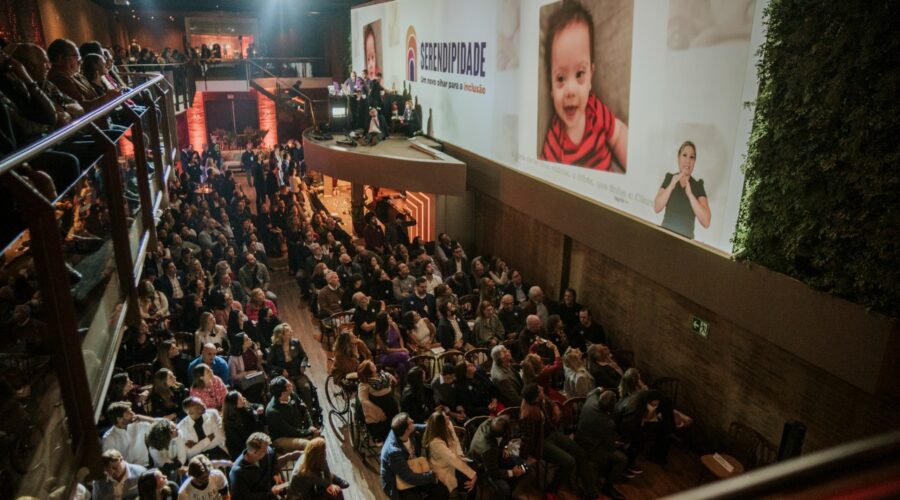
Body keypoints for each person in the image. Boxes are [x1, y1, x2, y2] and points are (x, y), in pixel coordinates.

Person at [539, 0, 628, 171]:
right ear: (550, 86)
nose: (570, 91)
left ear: (591, 77)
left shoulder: (596, 111)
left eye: (579, 74)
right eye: (560, 78)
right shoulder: (555, 141)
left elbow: (618, 135)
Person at [519, 383, 590, 494]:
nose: (542, 388)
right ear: (536, 397)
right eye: (539, 390)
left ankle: (583, 485)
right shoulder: (528, 414)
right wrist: (522, 458)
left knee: (580, 452)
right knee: (569, 461)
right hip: (542, 443)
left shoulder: (536, 399)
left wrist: (554, 406)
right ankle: (551, 490)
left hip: (552, 433)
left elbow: (547, 399)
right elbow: (527, 438)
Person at [379, 413, 447, 500]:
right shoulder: (394, 452)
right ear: (406, 430)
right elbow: (410, 478)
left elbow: (423, 427)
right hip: (397, 483)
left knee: (442, 490)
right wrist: (434, 474)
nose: (413, 421)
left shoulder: (401, 431)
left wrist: (438, 423)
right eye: (410, 422)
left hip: (414, 468)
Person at [653, 140, 712, 239]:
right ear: (678, 158)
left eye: (692, 157)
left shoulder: (698, 185)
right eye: (684, 155)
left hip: (686, 243)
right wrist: (671, 186)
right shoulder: (670, 178)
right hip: (664, 236)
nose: (688, 161)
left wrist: (690, 195)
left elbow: (706, 222)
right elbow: (657, 207)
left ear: (694, 162)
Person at [576, 389, 627, 500]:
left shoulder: (591, 400)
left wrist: (599, 389)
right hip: (590, 448)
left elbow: (592, 392)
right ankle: (608, 486)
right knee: (622, 459)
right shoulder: (608, 423)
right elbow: (610, 445)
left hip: (579, 438)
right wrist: (619, 444)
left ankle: (602, 475)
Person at [466, 416, 525, 498]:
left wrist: (505, 448)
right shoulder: (488, 448)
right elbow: (493, 472)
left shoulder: (491, 421)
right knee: (505, 489)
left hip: (493, 456)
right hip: (481, 467)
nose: (510, 433)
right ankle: (509, 493)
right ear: (499, 437)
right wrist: (512, 472)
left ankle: (513, 483)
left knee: (521, 464)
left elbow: (506, 437)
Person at [230, 432, 301, 500]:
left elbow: (274, 459)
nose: (268, 451)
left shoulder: (267, 452)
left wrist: (275, 473)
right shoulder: (237, 472)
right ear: (254, 452)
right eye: (264, 450)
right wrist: (271, 493)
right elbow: (246, 498)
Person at [267, 322, 317, 416]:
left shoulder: (296, 342)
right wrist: (280, 370)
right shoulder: (275, 347)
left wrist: (303, 365)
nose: (290, 332)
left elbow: (304, 356)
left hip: (297, 372)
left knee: (306, 388)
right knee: (292, 391)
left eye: (290, 330)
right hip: (286, 376)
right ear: (281, 335)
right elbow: (269, 364)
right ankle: (296, 414)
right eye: (287, 331)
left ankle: (309, 413)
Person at [422, 411, 477, 495]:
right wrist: (472, 474)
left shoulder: (448, 425)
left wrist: (461, 456)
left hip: (452, 464)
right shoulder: (435, 443)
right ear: (441, 425)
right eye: (445, 417)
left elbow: (456, 442)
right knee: (471, 483)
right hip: (445, 470)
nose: (448, 417)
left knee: (475, 467)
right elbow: (452, 459)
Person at [266, 376, 320, 452]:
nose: (291, 384)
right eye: (288, 385)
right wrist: (308, 432)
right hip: (282, 437)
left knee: (317, 437)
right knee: (308, 444)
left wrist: (311, 426)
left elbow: (305, 410)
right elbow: (289, 430)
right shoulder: (273, 411)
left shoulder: (291, 394)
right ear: (283, 393)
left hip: (296, 429)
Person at [102, 402, 155, 467]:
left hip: (147, 464)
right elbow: (109, 462)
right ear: (119, 419)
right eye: (128, 414)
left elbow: (159, 425)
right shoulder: (109, 438)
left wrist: (143, 418)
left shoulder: (137, 423)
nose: (133, 414)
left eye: (131, 411)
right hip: (129, 472)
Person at [357, 360, 399, 442]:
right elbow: (363, 400)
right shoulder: (364, 384)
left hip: (391, 404)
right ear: (368, 371)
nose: (374, 365)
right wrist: (378, 412)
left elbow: (395, 382)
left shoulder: (382, 375)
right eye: (372, 365)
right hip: (380, 407)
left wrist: (390, 377)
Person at [222, 391, 265, 461]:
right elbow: (238, 442)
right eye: (240, 398)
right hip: (243, 449)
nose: (243, 398)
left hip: (256, 441)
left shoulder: (246, 406)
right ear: (234, 404)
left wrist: (260, 407)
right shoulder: (229, 423)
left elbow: (257, 405)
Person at [227, 332, 266, 403]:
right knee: (255, 389)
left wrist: (259, 357)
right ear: (241, 344)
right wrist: (247, 373)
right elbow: (233, 377)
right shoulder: (233, 358)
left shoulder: (251, 350)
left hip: (256, 376)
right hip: (243, 382)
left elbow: (258, 365)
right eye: (247, 339)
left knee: (261, 385)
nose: (250, 339)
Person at [374, 311, 411, 384]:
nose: (391, 319)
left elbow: (400, 338)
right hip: (387, 355)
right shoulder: (378, 335)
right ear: (383, 322)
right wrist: (402, 350)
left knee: (401, 367)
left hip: (399, 351)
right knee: (405, 356)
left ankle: (404, 385)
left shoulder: (393, 325)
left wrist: (402, 347)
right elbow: (387, 350)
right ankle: (410, 379)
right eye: (388, 318)